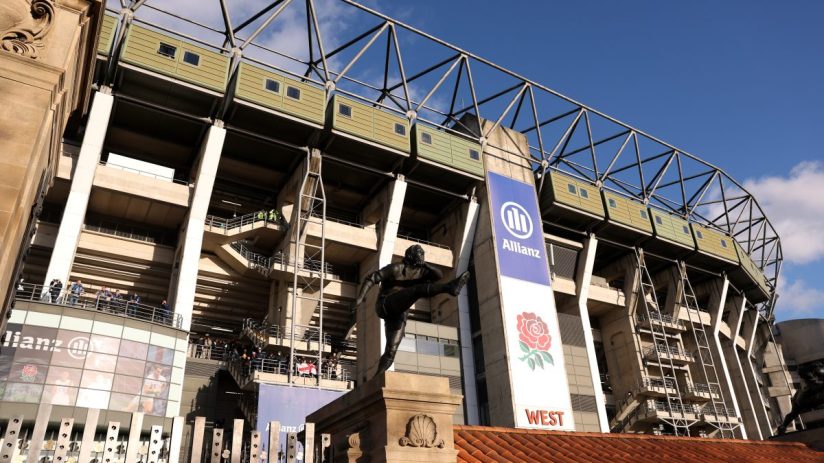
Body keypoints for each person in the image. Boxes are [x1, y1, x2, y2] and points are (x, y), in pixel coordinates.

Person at [349, 244, 469, 378]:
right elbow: (372, 278)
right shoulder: (396, 268)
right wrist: (359, 299)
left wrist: (425, 265)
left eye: (423, 254)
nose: (421, 256)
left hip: (400, 312)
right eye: (419, 253)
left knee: (391, 350)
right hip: (385, 305)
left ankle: (377, 379)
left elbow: (438, 275)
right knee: (418, 290)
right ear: (411, 255)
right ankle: (450, 287)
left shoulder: (422, 272)